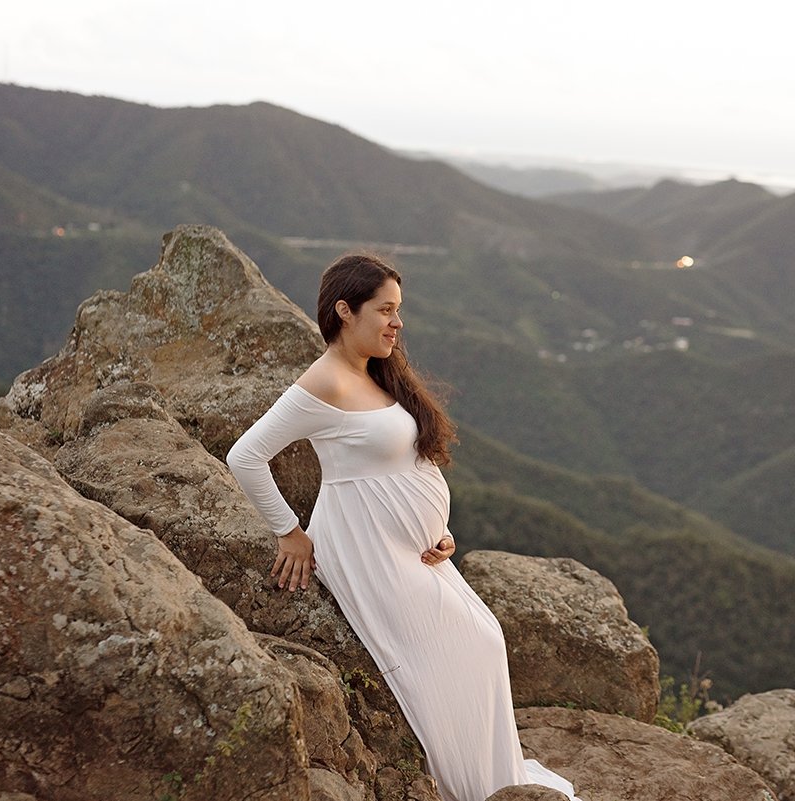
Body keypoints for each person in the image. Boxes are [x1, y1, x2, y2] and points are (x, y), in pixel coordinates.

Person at [226, 253, 580, 801]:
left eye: (399, 311)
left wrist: (434, 530)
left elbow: (408, 461)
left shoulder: (376, 374)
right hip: (363, 547)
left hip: (411, 548)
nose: (397, 323)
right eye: (386, 310)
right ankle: (474, 786)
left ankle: (496, 778)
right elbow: (245, 455)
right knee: (467, 648)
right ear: (345, 311)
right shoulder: (325, 382)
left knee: (485, 641)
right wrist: (289, 531)